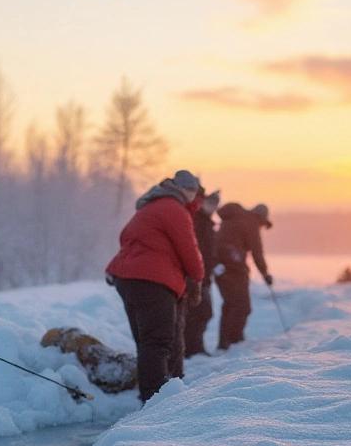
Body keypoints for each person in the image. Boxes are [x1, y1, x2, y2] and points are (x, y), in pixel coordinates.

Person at [105, 170, 205, 403]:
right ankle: (156, 400)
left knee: (147, 342)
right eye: (193, 191)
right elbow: (189, 249)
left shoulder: (151, 206)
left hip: (127, 278)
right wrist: (198, 277)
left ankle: (157, 393)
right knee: (158, 341)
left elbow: (125, 237)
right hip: (152, 281)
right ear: (186, 190)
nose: (194, 196)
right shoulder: (174, 208)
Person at [214, 202, 273, 351]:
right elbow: (257, 252)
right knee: (242, 306)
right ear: (261, 218)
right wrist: (265, 274)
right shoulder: (251, 222)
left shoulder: (235, 218)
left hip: (219, 266)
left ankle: (225, 343)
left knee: (230, 305)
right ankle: (234, 342)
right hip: (234, 268)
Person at [184, 189, 220, 357]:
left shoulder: (208, 223)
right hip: (196, 275)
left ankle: (196, 346)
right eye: (210, 202)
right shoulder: (198, 221)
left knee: (203, 312)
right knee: (199, 312)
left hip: (205, 275)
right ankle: (192, 348)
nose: (212, 206)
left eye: (215, 204)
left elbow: (210, 250)